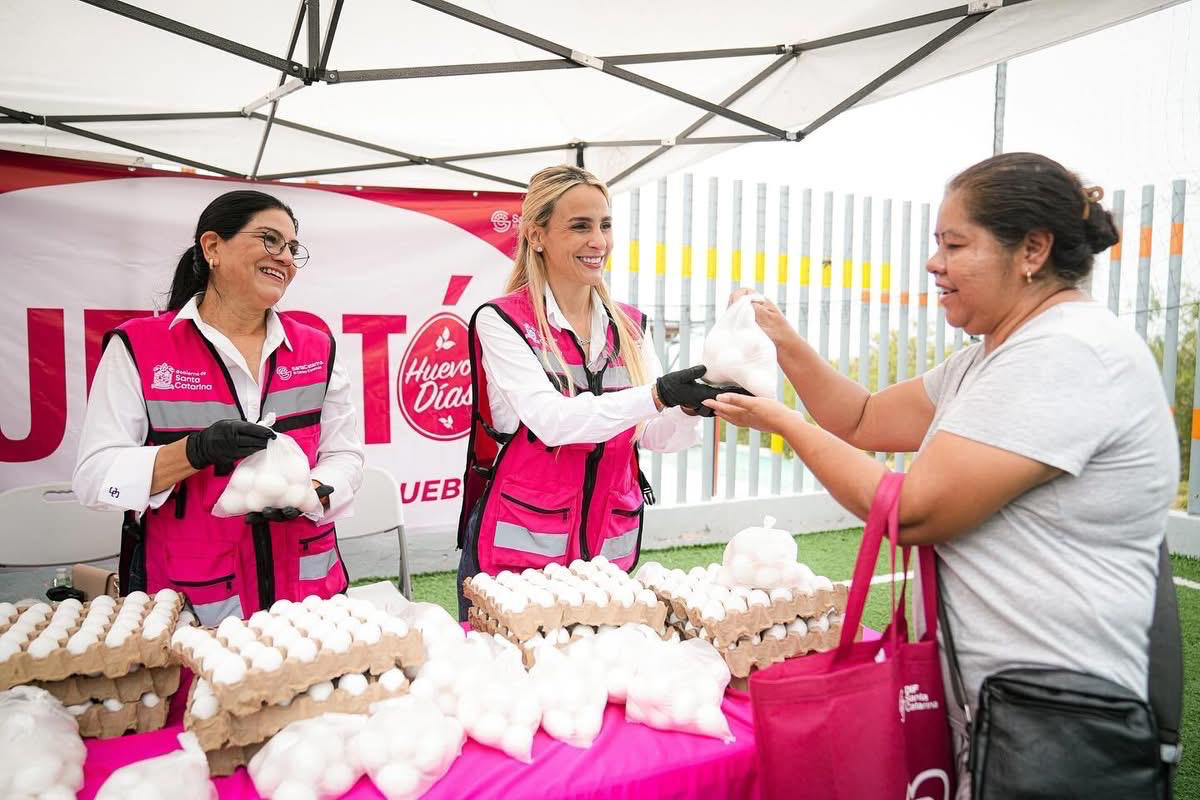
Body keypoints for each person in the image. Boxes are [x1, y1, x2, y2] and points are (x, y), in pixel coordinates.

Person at [705, 153, 1178, 790]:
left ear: (1032, 250)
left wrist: (787, 424)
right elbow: (863, 418)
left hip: (1052, 716)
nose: (934, 263)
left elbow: (914, 511)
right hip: (1000, 707)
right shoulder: (994, 355)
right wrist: (778, 335)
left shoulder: (1066, 352)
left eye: (954, 245)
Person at [73, 189, 365, 625]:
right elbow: (95, 478)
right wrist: (194, 451)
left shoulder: (318, 348)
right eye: (270, 239)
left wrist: (314, 490)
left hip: (309, 603)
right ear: (212, 247)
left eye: (292, 247)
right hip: (193, 605)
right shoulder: (139, 347)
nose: (285, 257)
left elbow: (346, 456)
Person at [456, 165, 724, 619]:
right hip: (517, 565)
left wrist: (686, 408)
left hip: (605, 561)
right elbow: (553, 422)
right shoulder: (500, 321)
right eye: (580, 226)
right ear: (536, 235)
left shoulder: (631, 326)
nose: (599, 241)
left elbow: (652, 435)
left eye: (605, 225)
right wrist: (656, 395)